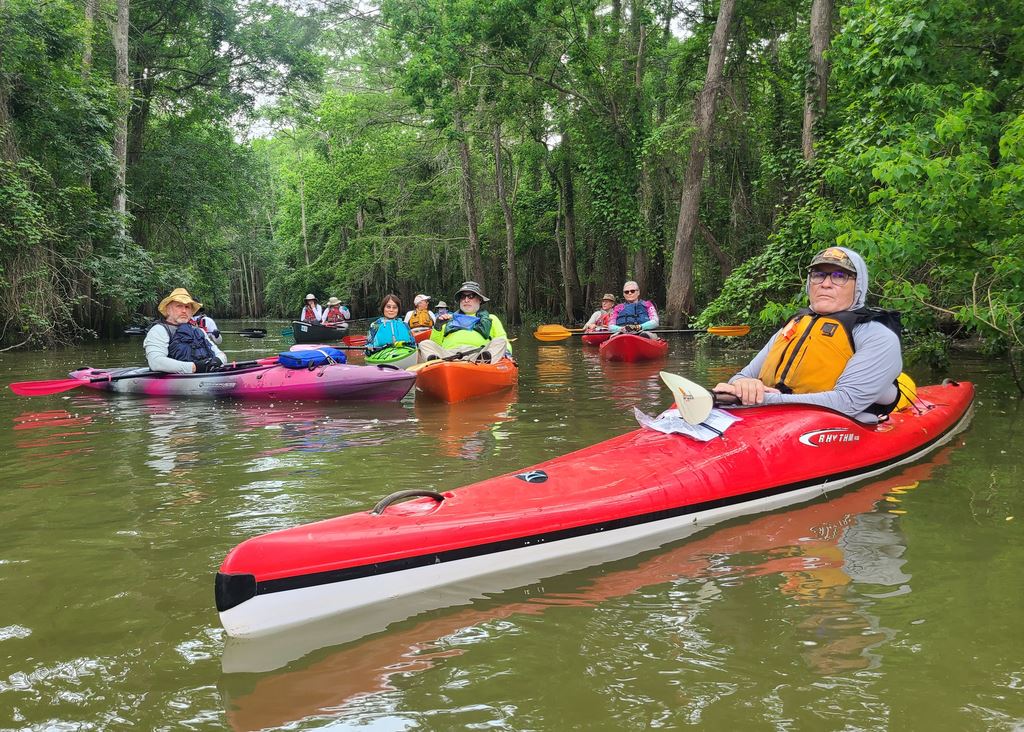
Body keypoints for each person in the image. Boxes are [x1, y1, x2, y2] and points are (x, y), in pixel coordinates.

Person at [713, 246, 903, 422]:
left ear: (858, 285)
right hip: (774, 419)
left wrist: (761, 400)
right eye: (819, 275)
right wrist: (745, 385)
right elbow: (740, 377)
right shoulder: (793, 326)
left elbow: (847, 402)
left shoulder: (877, 336)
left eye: (839, 276)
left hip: (838, 427)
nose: (826, 284)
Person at [418, 281, 510, 364]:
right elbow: (435, 343)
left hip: (477, 354)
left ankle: (483, 362)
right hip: (448, 356)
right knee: (424, 343)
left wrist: (508, 354)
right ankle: (436, 363)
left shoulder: (491, 318)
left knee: (500, 341)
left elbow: (503, 340)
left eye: (471, 296)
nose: (466, 300)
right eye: (463, 297)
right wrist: (437, 327)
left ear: (480, 300)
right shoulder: (447, 319)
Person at [144, 288, 227, 374]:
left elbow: (221, 355)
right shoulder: (158, 330)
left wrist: (216, 361)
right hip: (175, 383)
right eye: (179, 306)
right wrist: (194, 367)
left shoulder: (199, 331)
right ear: (168, 310)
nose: (184, 311)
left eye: (187, 307)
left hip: (203, 378)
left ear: (191, 312)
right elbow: (156, 362)